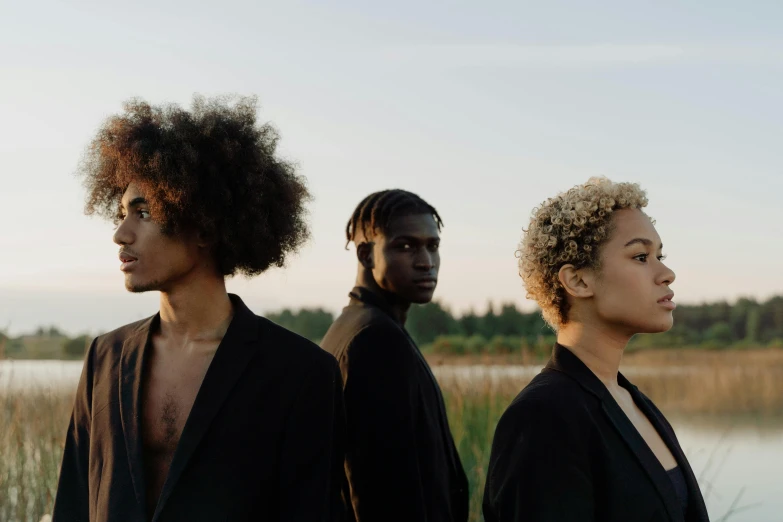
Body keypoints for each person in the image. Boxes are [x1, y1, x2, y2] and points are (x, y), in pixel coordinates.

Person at [52, 96, 345, 522]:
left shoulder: (301, 373)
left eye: (144, 212)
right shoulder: (105, 358)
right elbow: (74, 504)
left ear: (204, 225)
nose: (120, 233)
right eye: (121, 213)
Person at [483, 177, 710, 522]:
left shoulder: (633, 401)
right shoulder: (542, 417)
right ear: (577, 281)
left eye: (659, 255)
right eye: (640, 256)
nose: (667, 273)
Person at [320, 189, 468, 522]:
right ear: (366, 255)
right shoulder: (373, 340)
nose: (425, 262)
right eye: (405, 246)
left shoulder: (360, 327)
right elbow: (376, 492)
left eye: (433, 246)